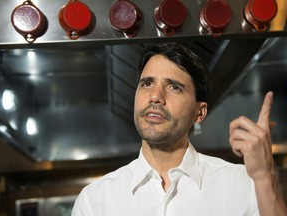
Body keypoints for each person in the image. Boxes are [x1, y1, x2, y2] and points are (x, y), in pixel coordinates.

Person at [71, 42, 287, 216]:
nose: (155, 96)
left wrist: (263, 176)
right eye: (147, 83)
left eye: (174, 87)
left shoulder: (244, 185)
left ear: (199, 113)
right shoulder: (96, 201)